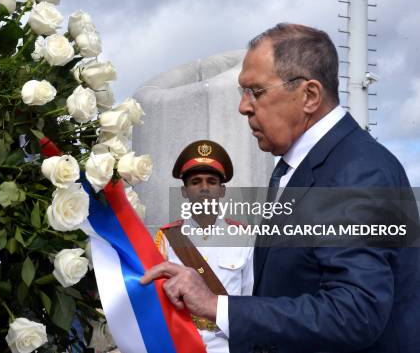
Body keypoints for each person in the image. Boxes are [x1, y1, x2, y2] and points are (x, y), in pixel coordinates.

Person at [142, 23, 420, 353]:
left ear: (309, 95)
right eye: (242, 93)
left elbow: (354, 313)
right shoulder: (300, 168)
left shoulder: (357, 171)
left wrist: (217, 306)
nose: (243, 107)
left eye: (255, 91)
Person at [154, 139, 253, 352]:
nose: (204, 188)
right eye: (196, 181)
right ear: (184, 191)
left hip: (228, 345)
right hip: (180, 342)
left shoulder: (244, 237)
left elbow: (250, 298)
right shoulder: (168, 237)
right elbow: (158, 300)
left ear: (222, 190)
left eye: (212, 181)